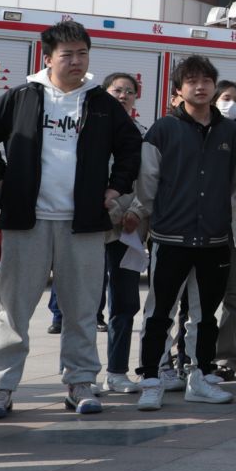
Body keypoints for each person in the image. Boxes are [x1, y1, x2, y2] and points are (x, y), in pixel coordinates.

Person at [0, 22, 142, 418]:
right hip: (26, 221)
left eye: (82, 53)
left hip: (82, 222)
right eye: (66, 54)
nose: (75, 61)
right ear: (47, 57)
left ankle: (81, 381)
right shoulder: (22, 96)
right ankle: (0, 387)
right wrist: (0, 174)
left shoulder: (101, 102)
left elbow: (130, 147)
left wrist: (115, 188)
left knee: (82, 308)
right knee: (13, 310)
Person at [131, 55, 236, 410]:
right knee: (159, 312)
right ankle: (151, 376)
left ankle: (200, 375)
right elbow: (147, 183)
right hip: (170, 237)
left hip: (214, 237)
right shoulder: (163, 130)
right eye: (192, 81)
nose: (201, 86)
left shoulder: (230, 131)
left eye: (207, 80)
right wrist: (156, 217)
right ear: (178, 90)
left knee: (205, 314)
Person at [95, 72, 148, 392]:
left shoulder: (143, 135)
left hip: (128, 229)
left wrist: (136, 212)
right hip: (92, 225)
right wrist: (113, 210)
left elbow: (149, 180)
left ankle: (116, 372)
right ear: (104, 93)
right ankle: (78, 373)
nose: (123, 95)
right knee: (84, 304)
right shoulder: (87, 131)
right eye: (117, 90)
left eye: (129, 91)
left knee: (125, 303)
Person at [210, 80, 236, 377]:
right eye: (225, 97)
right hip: (204, 227)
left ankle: (227, 358)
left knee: (235, 296)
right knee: (198, 297)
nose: (231, 104)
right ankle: (191, 356)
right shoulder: (202, 132)